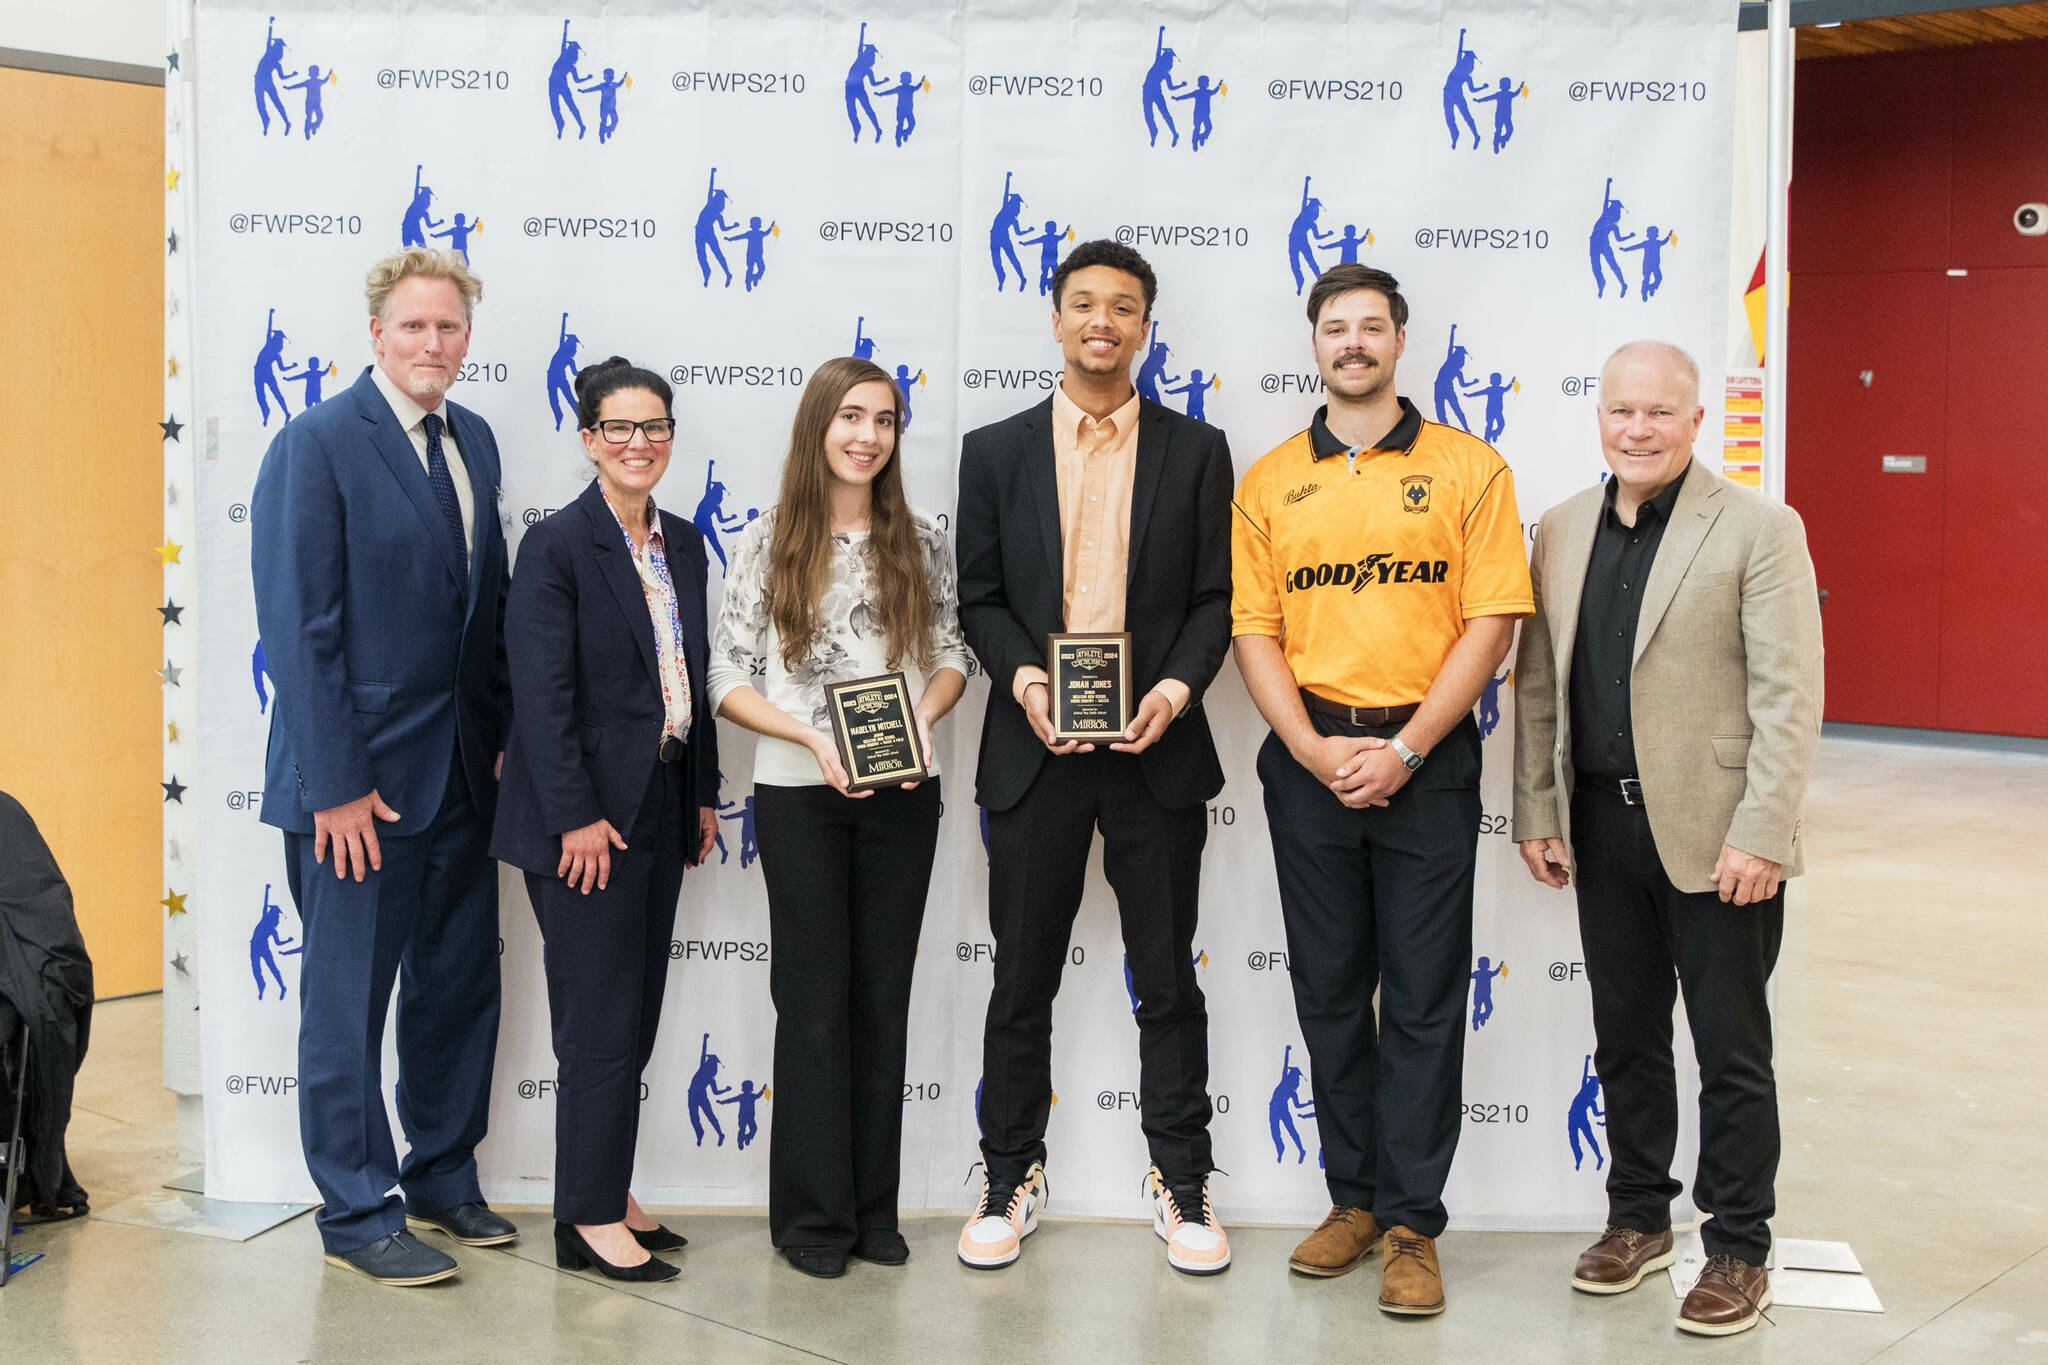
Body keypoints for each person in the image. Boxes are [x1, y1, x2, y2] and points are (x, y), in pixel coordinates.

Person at [1230, 263, 1532, 1315]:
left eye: (1370, 327)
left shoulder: (1467, 468)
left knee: (1418, 1000)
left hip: (1428, 762)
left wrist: (1403, 749)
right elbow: (1253, 631)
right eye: (1333, 328)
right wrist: (1315, 750)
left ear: (1401, 341)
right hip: (1309, 763)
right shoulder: (1269, 479)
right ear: (1312, 345)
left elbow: (1490, 621)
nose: (1351, 343)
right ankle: (1350, 1202)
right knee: (1325, 994)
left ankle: (1411, 1224)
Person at [1512, 340, 1823, 1338]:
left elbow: (1787, 694)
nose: (1636, 430)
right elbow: (1534, 688)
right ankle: (1636, 1217)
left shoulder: (1758, 529)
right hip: (1600, 827)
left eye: (1657, 413)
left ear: (1694, 421)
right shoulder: (1558, 529)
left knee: (1730, 1051)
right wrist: (1538, 810)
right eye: (1619, 412)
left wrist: (1762, 832)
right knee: (1626, 1040)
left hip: (1719, 836)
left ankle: (1737, 1246)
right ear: (1597, 417)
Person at [955, 240, 1235, 1276]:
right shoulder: (996, 451)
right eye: (1083, 305)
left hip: (1153, 750)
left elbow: (1216, 599)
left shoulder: (1196, 450)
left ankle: (1183, 1181)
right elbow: (977, 598)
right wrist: (1025, 683)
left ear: (1144, 327)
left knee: (1165, 979)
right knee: (1020, 979)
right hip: (1034, 753)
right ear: (1056, 319)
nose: (1102, 322)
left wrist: (1170, 692)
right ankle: (1006, 1175)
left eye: (1122, 307)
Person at [250, 247, 513, 1286]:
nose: (432, 344)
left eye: (448, 327)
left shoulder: (476, 441)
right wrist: (335, 787)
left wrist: (493, 743)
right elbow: (298, 633)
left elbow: (478, 609)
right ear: (375, 334)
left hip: (458, 778)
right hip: (352, 792)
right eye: (413, 326)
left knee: (454, 990)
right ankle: (357, 1214)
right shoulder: (315, 445)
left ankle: (442, 1177)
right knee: (347, 1010)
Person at [710, 356, 972, 1279]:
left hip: (904, 793)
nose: (868, 435)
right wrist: (811, 738)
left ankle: (874, 1209)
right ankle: (813, 1217)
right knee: (814, 1003)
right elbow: (727, 676)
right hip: (796, 794)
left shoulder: (924, 538)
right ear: (818, 423)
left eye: (886, 419)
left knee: (880, 997)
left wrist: (924, 718)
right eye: (852, 416)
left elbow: (952, 653)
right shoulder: (767, 538)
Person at [490, 356, 720, 1284]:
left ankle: (608, 1182)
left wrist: (701, 789)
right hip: (582, 821)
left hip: (662, 802)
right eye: (619, 428)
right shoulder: (555, 546)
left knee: (638, 1013)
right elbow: (541, 699)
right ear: (588, 439)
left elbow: (691, 682)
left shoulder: (688, 543)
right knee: (596, 1021)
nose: (638, 443)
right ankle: (584, 1217)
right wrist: (576, 817)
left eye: (654, 427)